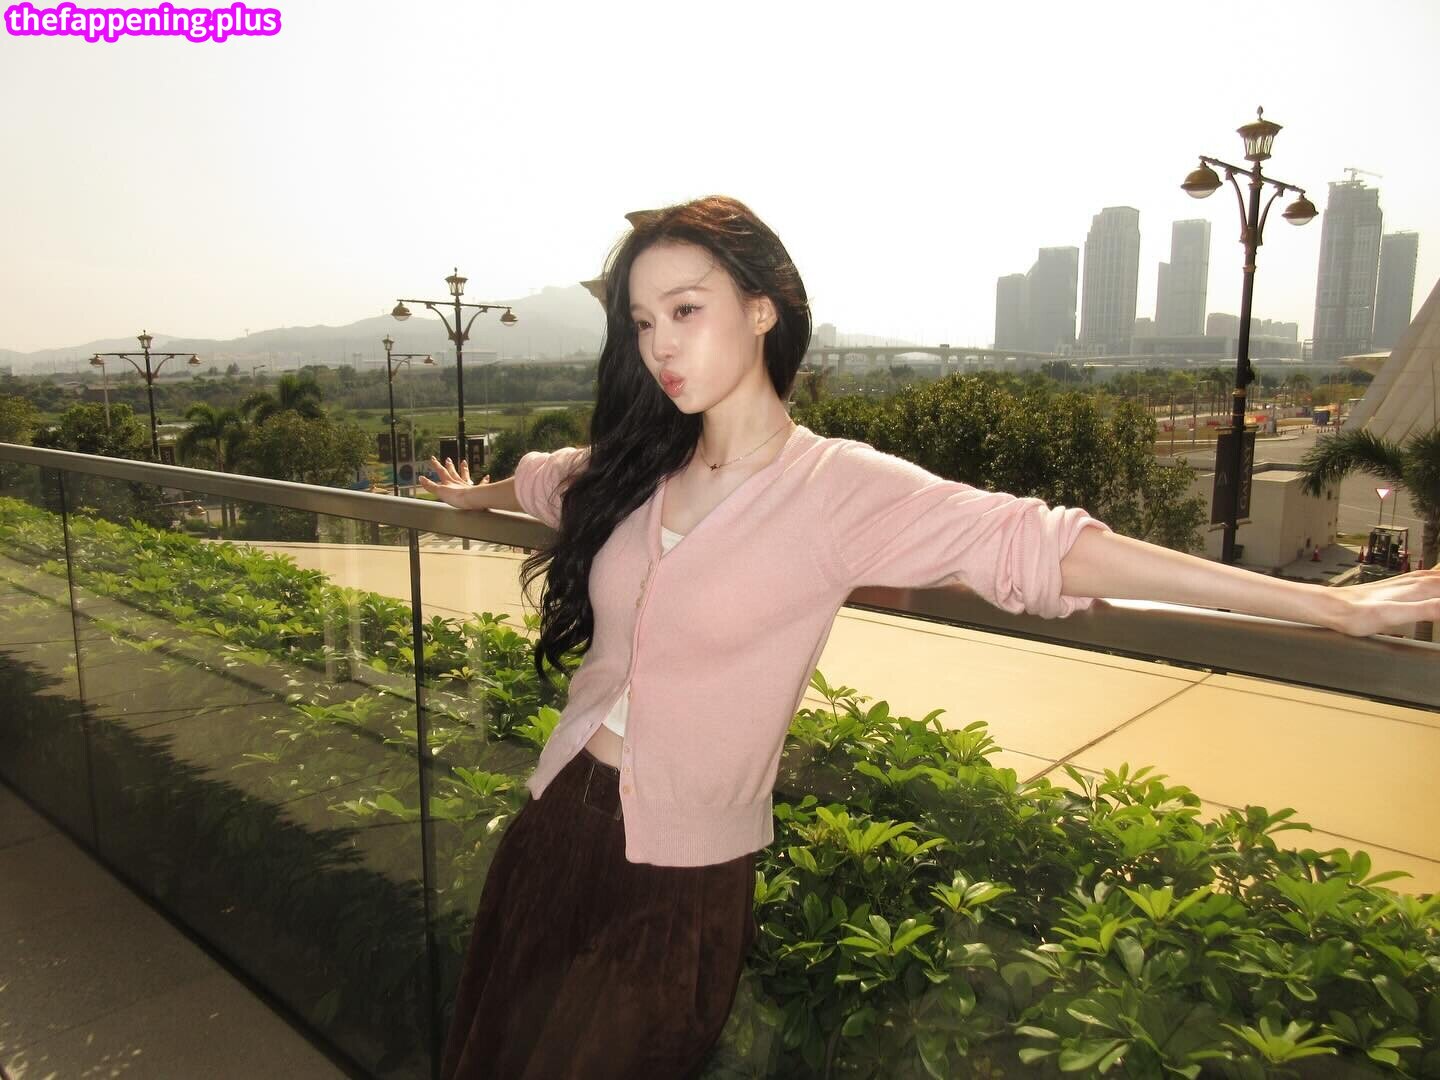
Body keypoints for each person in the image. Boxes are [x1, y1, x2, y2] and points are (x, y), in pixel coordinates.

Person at [420, 195, 1440, 1079]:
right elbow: (547, 478)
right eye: (643, 322)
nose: (660, 346)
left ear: (762, 307)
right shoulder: (636, 465)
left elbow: (1046, 547)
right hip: (556, 823)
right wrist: (476, 498)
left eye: (687, 310)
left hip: (678, 878)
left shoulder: (836, 490)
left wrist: (1330, 608)